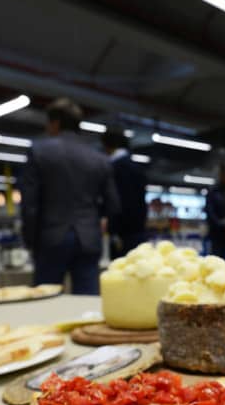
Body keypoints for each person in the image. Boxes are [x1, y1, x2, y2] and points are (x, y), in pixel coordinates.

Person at [18, 98, 119, 295]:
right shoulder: (99, 159)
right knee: (87, 304)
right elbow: (113, 205)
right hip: (88, 238)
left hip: (50, 237)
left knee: (45, 300)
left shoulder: (39, 151)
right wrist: (92, 218)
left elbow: (30, 205)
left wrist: (30, 240)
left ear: (54, 123)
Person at [103, 126, 148, 258]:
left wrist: (114, 230)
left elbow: (116, 203)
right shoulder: (137, 167)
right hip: (139, 230)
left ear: (108, 145)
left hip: (122, 234)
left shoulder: (113, 168)